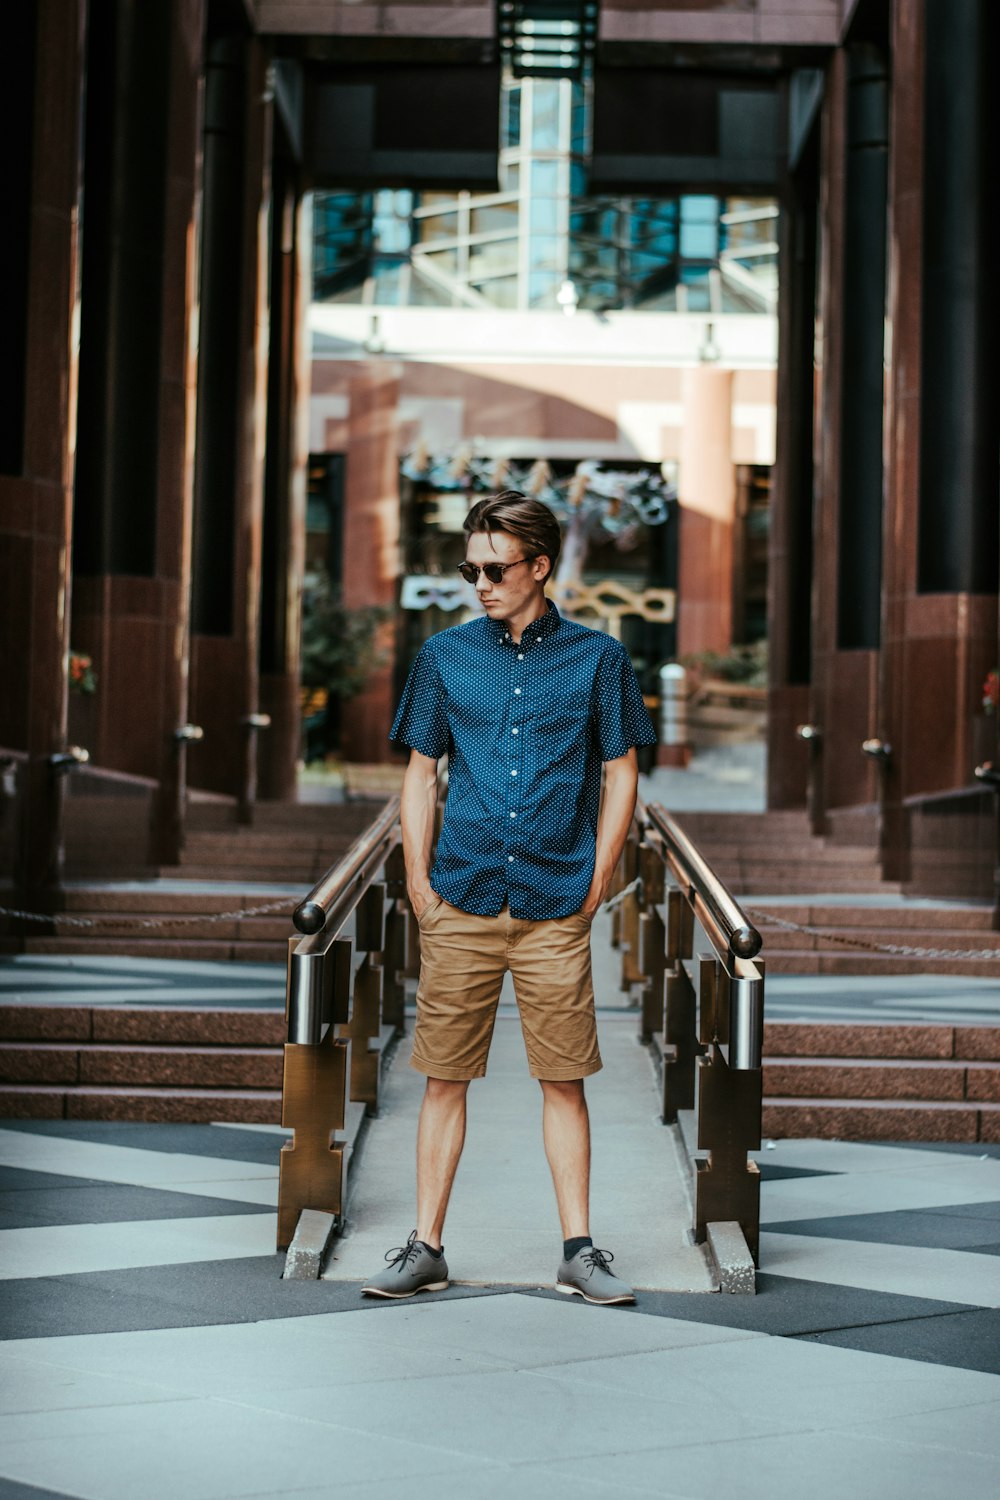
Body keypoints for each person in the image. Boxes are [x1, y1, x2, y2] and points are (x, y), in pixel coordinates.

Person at [361, 491, 656, 1305]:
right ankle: (424, 1247)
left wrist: (598, 877)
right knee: (443, 1077)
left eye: (495, 569)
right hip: (462, 894)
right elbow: (420, 774)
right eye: (469, 569)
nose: (480, 583)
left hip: (555, 901)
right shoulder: (445, 656)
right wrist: (418, 882)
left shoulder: (600, 659)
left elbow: (622, 770)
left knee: (564, 1079)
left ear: (540, 567)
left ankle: (580, 1251)